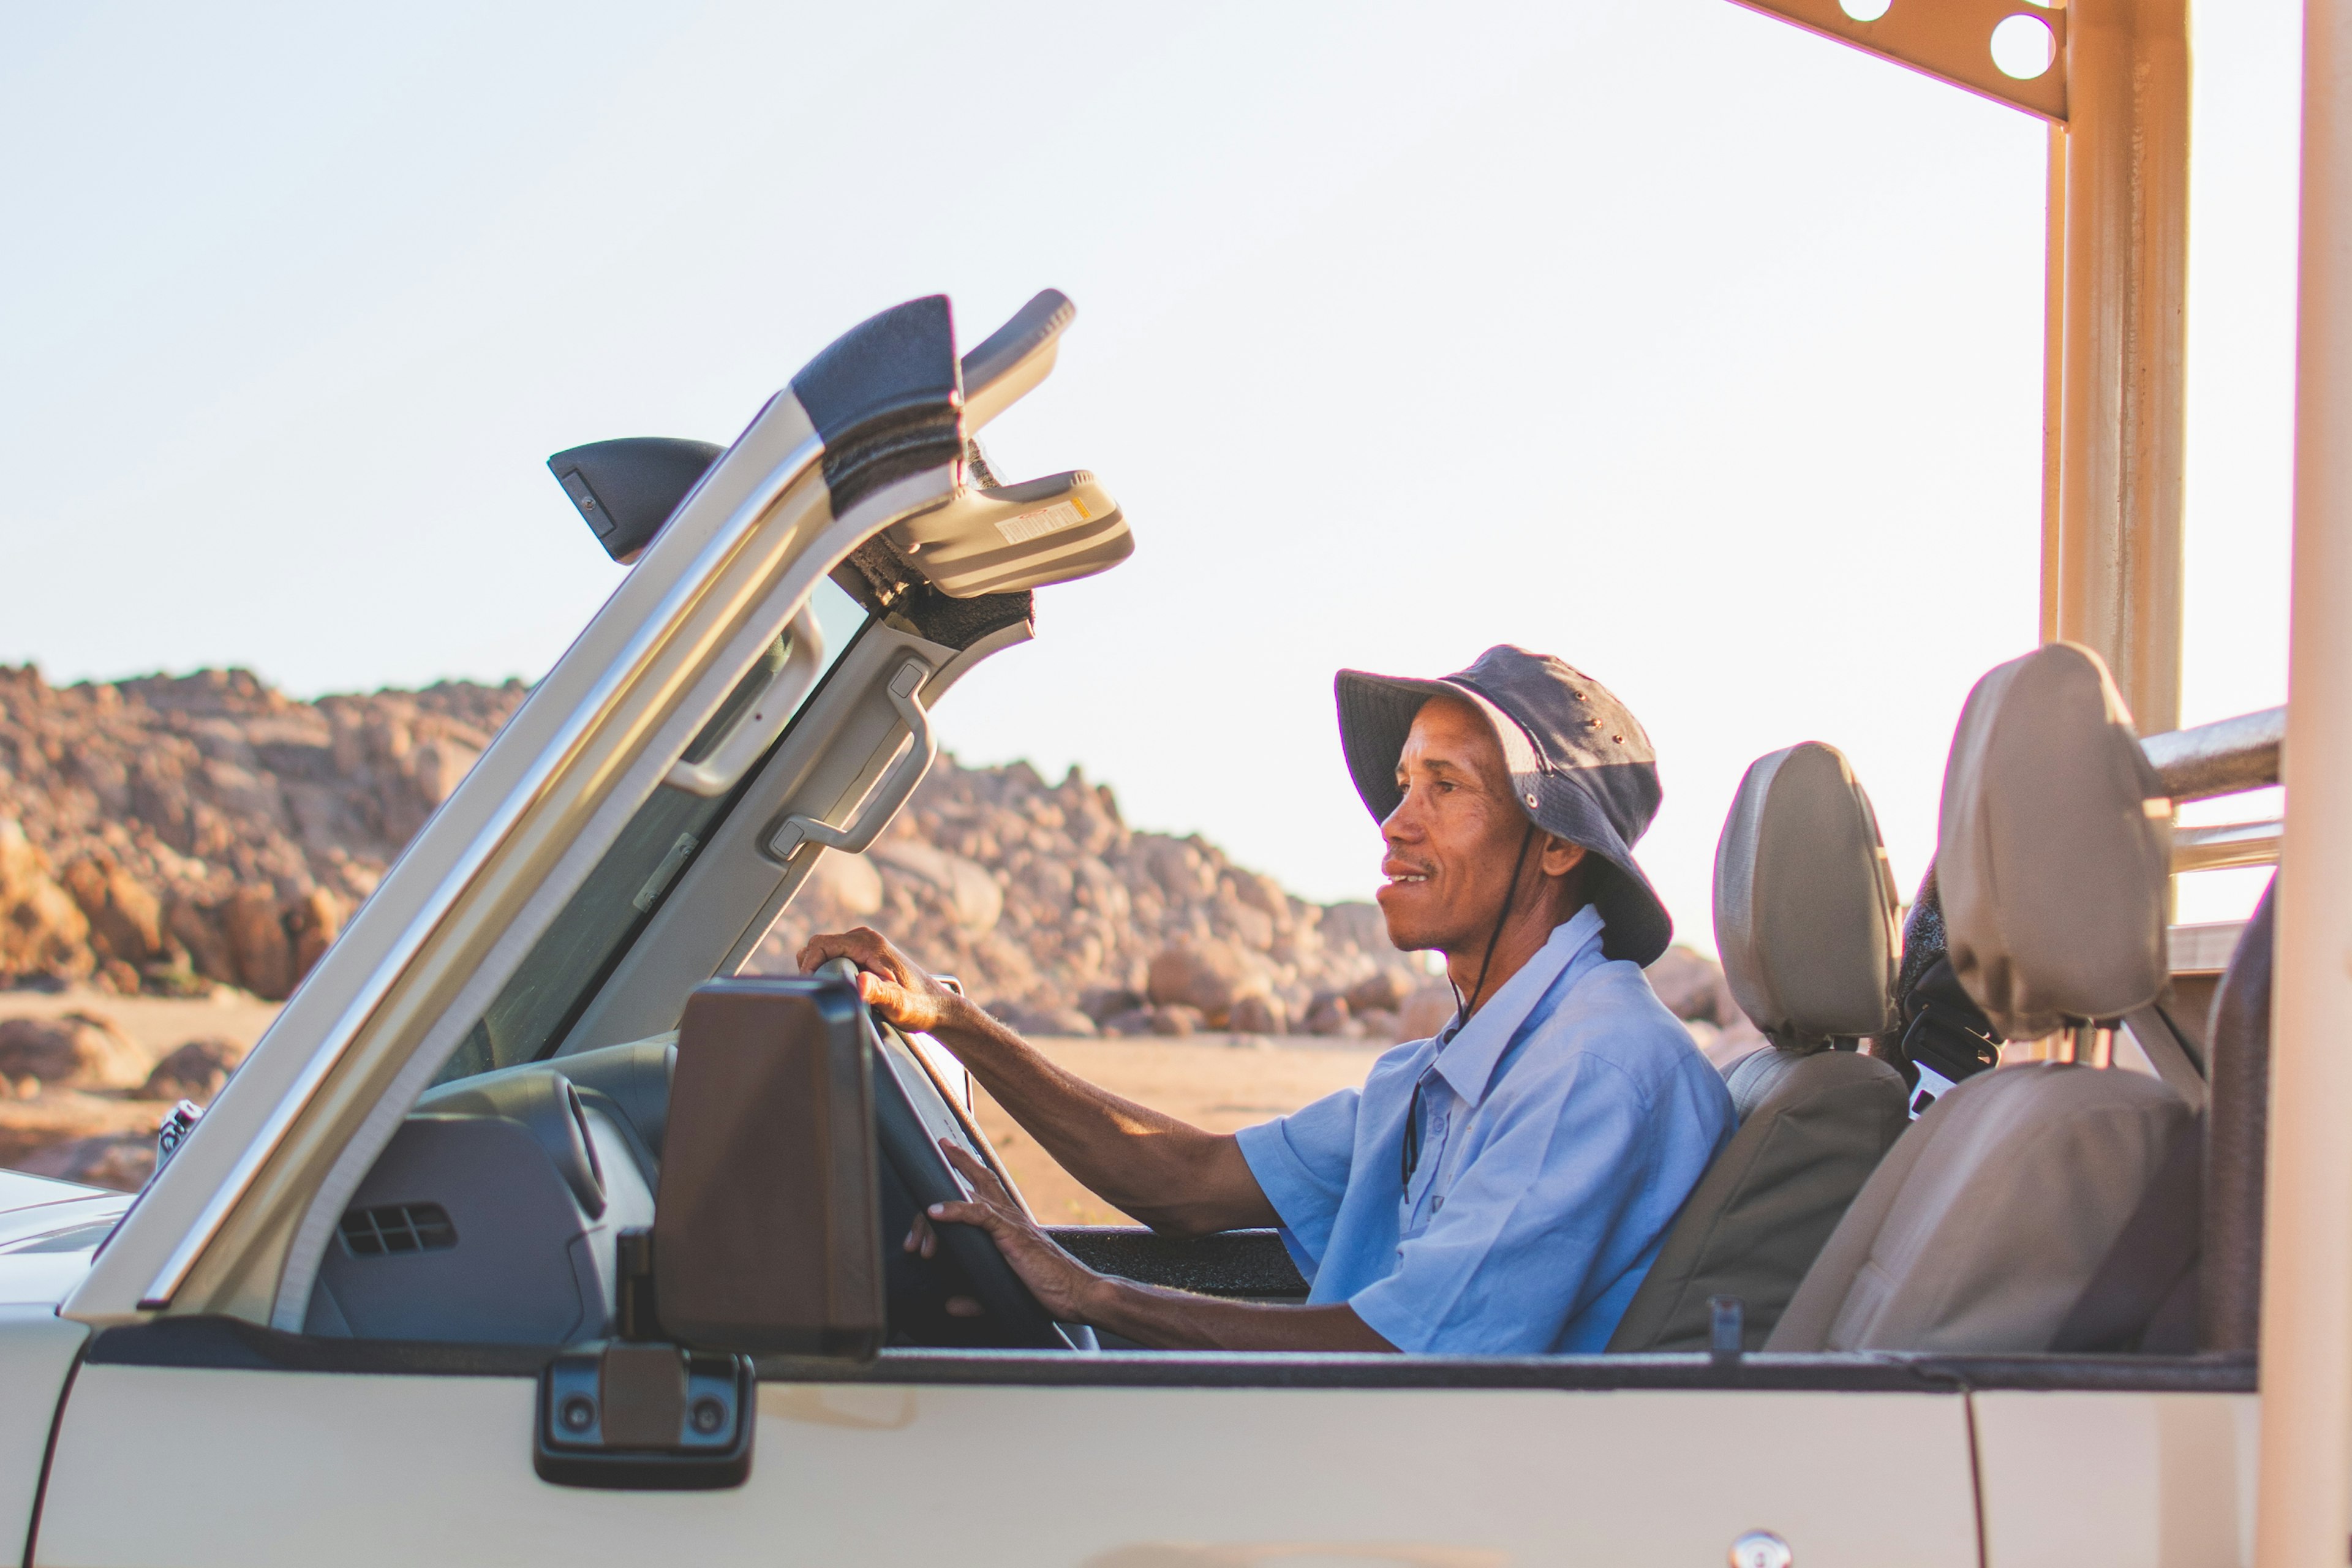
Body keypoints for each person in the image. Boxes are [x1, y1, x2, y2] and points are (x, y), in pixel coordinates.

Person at [801, 645, 1735, 1353]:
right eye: (1404, 782)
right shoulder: (1448, 1068)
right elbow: (1185, 1184)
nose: (1395, 823)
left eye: (1445, 788)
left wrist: (1089, 1296)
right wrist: (954, 1024)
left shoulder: (1593, 1066)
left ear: (1558, 847)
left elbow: (1401, 1356)